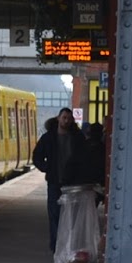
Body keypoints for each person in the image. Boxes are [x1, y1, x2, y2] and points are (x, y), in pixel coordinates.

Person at [32, 107, 85, 254]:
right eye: (64, 118)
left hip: (72, 183)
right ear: (58, 118)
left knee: (71, 216)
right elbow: (37, 156)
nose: (66, 121)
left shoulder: (77, 138)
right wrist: (45, 167)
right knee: (54, 214)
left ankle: (68, 245)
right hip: (54, 182)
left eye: (69, 118)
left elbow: (84, 158)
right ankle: (56, 246)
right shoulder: (48, 138)